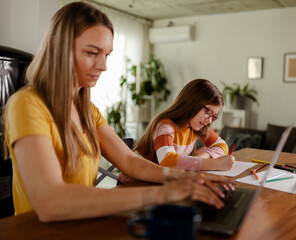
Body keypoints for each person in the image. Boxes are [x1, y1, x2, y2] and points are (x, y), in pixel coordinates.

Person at [3, 2, 235, 222]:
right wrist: (162, 194)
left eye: (107, 55)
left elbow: (129, 160)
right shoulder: (27, 105)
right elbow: (50, 202)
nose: (103, 66)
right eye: (92, 53)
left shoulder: (87, 109)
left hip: (81, 225)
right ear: (56, 46)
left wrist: (192, 177)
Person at [133, 79, 235, 171]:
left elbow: (222, 146)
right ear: (192, 103)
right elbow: (167, 160)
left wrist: (202, 157)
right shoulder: (165, 126)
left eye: (214, 116)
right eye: (208, 112)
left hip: (158, 180)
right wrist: (213, 164)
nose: (209, 121)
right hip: (134, 182)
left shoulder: (196, 126)